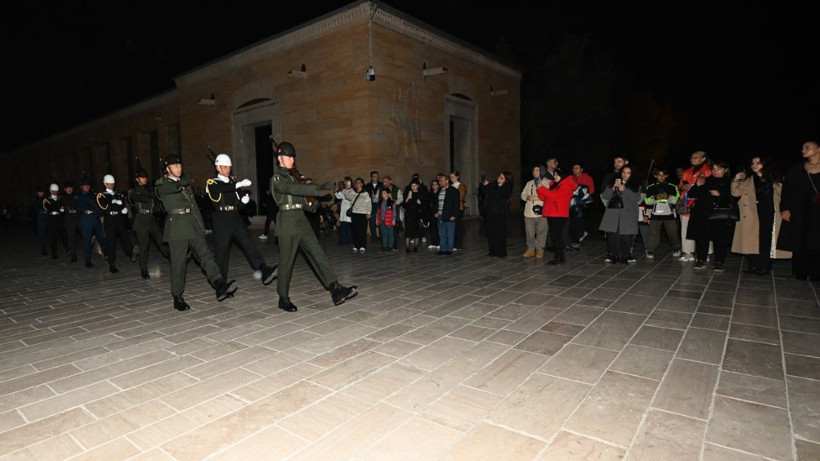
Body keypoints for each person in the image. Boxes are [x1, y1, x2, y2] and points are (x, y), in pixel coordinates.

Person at [270, 141, 358, 311]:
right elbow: (292, 189)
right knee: (286, 261)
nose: (292, 160)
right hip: (287, 221)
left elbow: (303, 199)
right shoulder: (277, 179)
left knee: (317, 253)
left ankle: (335, 288)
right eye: (289, 157)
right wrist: (314, 188)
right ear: (280, 158)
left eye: (293, 157)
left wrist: (315, 203)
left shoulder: (294, 178)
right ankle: (283, 297)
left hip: (300, 220)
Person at [156, 154, 238, 311]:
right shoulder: (162, 184)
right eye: (175, 166)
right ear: (167, 169)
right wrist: (182, 183)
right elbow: (168, 189)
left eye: (180, 166)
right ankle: (177, 296)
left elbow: (193, 206)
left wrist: (201, 227)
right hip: (177, 227)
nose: (178, 168)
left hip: (192, 225)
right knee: (179, 264)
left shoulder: (185, 185)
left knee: (206, 256)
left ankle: (220, 284)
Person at [204, 153, 279, 286]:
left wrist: (243, 202)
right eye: (225, 166)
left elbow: (238, 205)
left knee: (249, 245)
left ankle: (264, 269)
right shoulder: (213, 182)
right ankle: (221, 285)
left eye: (229, 167)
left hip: (235, 218)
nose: (228, 169)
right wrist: (237, 184)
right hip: (222, 221)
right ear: (218, 168)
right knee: (222, 255)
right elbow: (220, 189)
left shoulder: (232, 183)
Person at [731, 156, 789, 275]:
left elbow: (785, 196)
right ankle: (753, 265)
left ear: (765, 164)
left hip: (769, 213)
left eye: (758, 163)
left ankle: (764, 266)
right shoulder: (747, 180)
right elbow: (735, 193)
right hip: (751, 213)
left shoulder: (776, 180)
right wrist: (735, 180)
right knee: (751, 239)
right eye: (752, 163)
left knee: (765, 239)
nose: (754, 165)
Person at [778, 140, 820, 281]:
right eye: (802, 148)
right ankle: (801, 271)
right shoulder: (796, 169)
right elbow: (787, 190)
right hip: (801, 211)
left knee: (817, 240)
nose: (803, 150)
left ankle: (816, 272)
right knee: (800, 240)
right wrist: (785, 208)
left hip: (818, 212)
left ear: (818, 149)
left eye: (807, 148)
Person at [687, 160, 735, 271]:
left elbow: (733, 198)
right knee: (702, 237)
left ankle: (719, 262)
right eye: (713, 169)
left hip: (719, 215)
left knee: (719, 239)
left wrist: (720, 194)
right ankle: (701, 259)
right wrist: (697, 185)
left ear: (725, 170)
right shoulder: (706, 180)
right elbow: (692, 194)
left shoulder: (729, 182)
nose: (715, 171)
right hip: (702, 214)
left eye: (719, 169)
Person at [128, 168, 169, 279]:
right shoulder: (134, 191)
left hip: (151, 218)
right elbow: (137, 198)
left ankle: (170, 256)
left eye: (145, 177)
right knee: (144, 246)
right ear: (137, 179)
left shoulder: (149, 189)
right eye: (142, 177)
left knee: (161, 239)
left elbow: (156, 200)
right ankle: (143, 269)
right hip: (141, 219)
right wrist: (150, 195)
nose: (144, 179)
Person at [599, 165, 641, 264]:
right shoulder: (613, 183)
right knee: (613, 236)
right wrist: (613, 188)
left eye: (628, 173)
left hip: (628, 215)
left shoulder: (636, 185)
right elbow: (605, 196)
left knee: (626, 237)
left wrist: (624, 190)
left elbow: (636, 198)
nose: (625, 175)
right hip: (613, 213)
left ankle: (625, 256)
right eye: (623, 172)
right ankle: (614, 255)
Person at [96, 174, 137, 273]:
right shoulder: (101, 195)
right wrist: (113, 202)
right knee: (111, 242)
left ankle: (131, 254)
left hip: (118, 219)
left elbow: (122, 204)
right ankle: (112, 264)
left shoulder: (118, 194)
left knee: (124, 237)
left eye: (112, 184)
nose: (111, 186)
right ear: (105, 184)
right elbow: (103, 207)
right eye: (109, 184)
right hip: (109, 219)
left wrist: (123, 209)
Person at [537, 169, 577, 265]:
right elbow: (544, 198)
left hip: (559, 214)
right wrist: (539, 189)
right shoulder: (556, 185)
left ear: (563, 175)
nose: (555, 177)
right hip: (552, 212)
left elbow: (555, 196)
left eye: (556, 175)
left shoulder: (566, 185)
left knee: (556, 236)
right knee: (555, 236)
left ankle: (558, 257)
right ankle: (560, 257)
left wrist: (542, 189)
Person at [678, 150, 712, 261]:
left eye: (696, 157)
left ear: (703, 158)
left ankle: (705, 252)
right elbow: (681, 185)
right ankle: (687, 252)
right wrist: (684, 187)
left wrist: (693, 187)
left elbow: (708, 186)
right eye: (692, 156)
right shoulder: (687, 171)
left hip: (700, 203)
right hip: (686, 202)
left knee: (703, 228)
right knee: (685, 226)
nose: (693, 158)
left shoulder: (708, 171)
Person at [643, 167, 681, 259]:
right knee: (653, 233)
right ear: (655, 176)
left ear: (666, 176)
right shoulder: (650, 187)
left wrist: (668, 197)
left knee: (673, 233)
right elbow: (647, 202)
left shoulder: (673, 186)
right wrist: (655, 198)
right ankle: (650, 250)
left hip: (670, 214)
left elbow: (676, 201)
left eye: (663, 175)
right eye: (659, 175)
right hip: (655, 214)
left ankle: (677, 248)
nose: (661, 177)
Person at [75, 177, 106, 268]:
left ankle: (107, 253)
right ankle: (87, 261)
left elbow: (99, 206)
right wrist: (91, 209)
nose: (87, 187)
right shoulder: (78, 196)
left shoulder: (93, 195)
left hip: (95, 220)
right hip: (86, 222)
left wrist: (96, 210)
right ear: (81, 187)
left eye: (88, 186)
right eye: (85, 186)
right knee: (87, 241)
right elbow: (81, 207)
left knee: (102, 237)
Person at [481, 171, 513, 257]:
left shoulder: (507, 187)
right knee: (490, 232)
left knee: (500, 233)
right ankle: (492, 251)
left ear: (506, 180)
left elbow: (497, 195)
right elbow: (484, 191)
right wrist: (483, 184)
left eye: (502, 177)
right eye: (499, 176)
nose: (499, 178)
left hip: (500, 213)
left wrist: (488, 186)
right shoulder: (493, 184)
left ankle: (501, 252)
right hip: (490, 212)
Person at [520, 165, 548, 258]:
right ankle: (530, 249)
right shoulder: (529, 183)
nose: (535, 172)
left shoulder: (548, 182)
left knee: (541, 231)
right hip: (529, 212)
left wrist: (537, 198)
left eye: (538, 170)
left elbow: (551, 196)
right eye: (534, 170)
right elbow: (522, 195)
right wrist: (527, 197)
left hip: (542, 212)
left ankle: (540, 249)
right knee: (529, 232)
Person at [570, 162, 595, 246]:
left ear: (581, 169)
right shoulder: (570, 178)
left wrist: (581, 193)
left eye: (576, 168)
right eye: (573, 168)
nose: (574, 170)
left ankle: (576, 240)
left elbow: (591, 190)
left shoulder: (587, 178)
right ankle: (579, 234)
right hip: (571, 203)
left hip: (581, 203)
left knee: (579, 220)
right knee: (572, 221)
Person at [435, 173, 459, 255]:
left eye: (441, 181)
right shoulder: (439, 191)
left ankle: (449, 249)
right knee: (441, 233)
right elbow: (436, 203)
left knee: (450, 233)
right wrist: (435, 212)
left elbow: (456, 204)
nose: (440, 182)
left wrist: (454, 215)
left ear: (447, 181)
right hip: (440, 215)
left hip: (449, 215)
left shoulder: (454, 191)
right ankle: (442, 249)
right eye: (439, 181)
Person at [43, 183, 68, 260]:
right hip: (52, 220)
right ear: (51, 191)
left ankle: (68, 249)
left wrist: (62, 210)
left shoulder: (60, 199)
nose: (55, 192)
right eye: (54, 191)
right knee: (53, 238)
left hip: (59, 220)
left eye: (56, 191)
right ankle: (54, 254)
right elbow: (45, 209)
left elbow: (63, 206)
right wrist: (51, 212)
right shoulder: (47, 200)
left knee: (64, 235)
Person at [401, 178, 426, 253]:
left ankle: (415, 247)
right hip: (408, 214)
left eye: (415, 186)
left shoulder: (420, 194)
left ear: (418, 186)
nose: (413, 187)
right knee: (408, 231)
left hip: (416, 215)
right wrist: (407, 199)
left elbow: (423, 207)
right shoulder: (408, 193)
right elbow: (404, 205)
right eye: (412, 186)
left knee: (416, 231)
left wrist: (420, 203)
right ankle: (407, 248)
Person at [60, 181, 79, 263]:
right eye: (68, 188)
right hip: (69, 219)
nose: (69, 189)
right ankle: (73, 255)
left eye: (70, 188)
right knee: (71, 238)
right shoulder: (62, 198)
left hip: (78, 218)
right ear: (65, 189)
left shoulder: (76, 196)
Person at [450, 170, 467, 250]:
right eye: (450, 177)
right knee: (452, 227)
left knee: (457, 227)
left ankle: (458, 244)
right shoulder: (450, 186)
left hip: (458, 208)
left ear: (457, 177)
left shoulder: (461, 186)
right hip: (451, 208)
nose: (451, 179)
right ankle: (453, 243)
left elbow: (461, 197)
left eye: (453, 177)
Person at [377, 187, 397, 251]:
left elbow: (394, 211)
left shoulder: (392, 202)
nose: (382, 194)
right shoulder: (380, 202)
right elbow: (378, 212)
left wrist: (393, 219)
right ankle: (384, 246)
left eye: (384, 193)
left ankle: (390, 246)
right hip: (382, 220)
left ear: (388, 194)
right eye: (382, 193)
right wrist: (377, 219)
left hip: (389, 220)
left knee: (390, 234)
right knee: (384, 234)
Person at [335, 177, 354, 246]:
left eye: (346, 181)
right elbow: (339, 197)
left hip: (348, 209)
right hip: (343, 210)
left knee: (347, 226)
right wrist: (336, 192)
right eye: (344, 182)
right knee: (344, 226)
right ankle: (346, 240)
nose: (345, 183)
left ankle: (346, 240)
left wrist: (339, 192)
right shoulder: (344, 190)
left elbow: (346, 197)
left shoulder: (352, 190)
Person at [30, 185, 48, 255]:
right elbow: (36, 208)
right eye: (40, 192)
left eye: (42, 192)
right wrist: (41, 211)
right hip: (40, 218)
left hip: (47, 217)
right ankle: (43, 249)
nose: (41, 193)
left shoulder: (46, 199)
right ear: (37, 193)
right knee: (42, 233)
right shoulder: (35, 199)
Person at [364, 171, 381, 242]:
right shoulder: (367, 186)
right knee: (372, 222)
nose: (376, 178)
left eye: (377, 176)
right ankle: (373, 237)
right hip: (371, 206)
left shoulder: (381, 185)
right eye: (374, 176)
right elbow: (365, 197)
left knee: (380, 221)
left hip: (379, 205)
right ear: (371, 177)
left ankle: (381, 236)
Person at [427, 178, 441, 249]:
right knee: (432, 228)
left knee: (438, 228)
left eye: (435, 184)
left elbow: (441, 204)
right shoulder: (430, 194)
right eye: (433, 185)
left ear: (438, 185)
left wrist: (438, 212)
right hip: (431, 213)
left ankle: (439, 242)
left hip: (437, 213)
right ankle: (433, 242)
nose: (434, 186)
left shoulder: (440, 193)